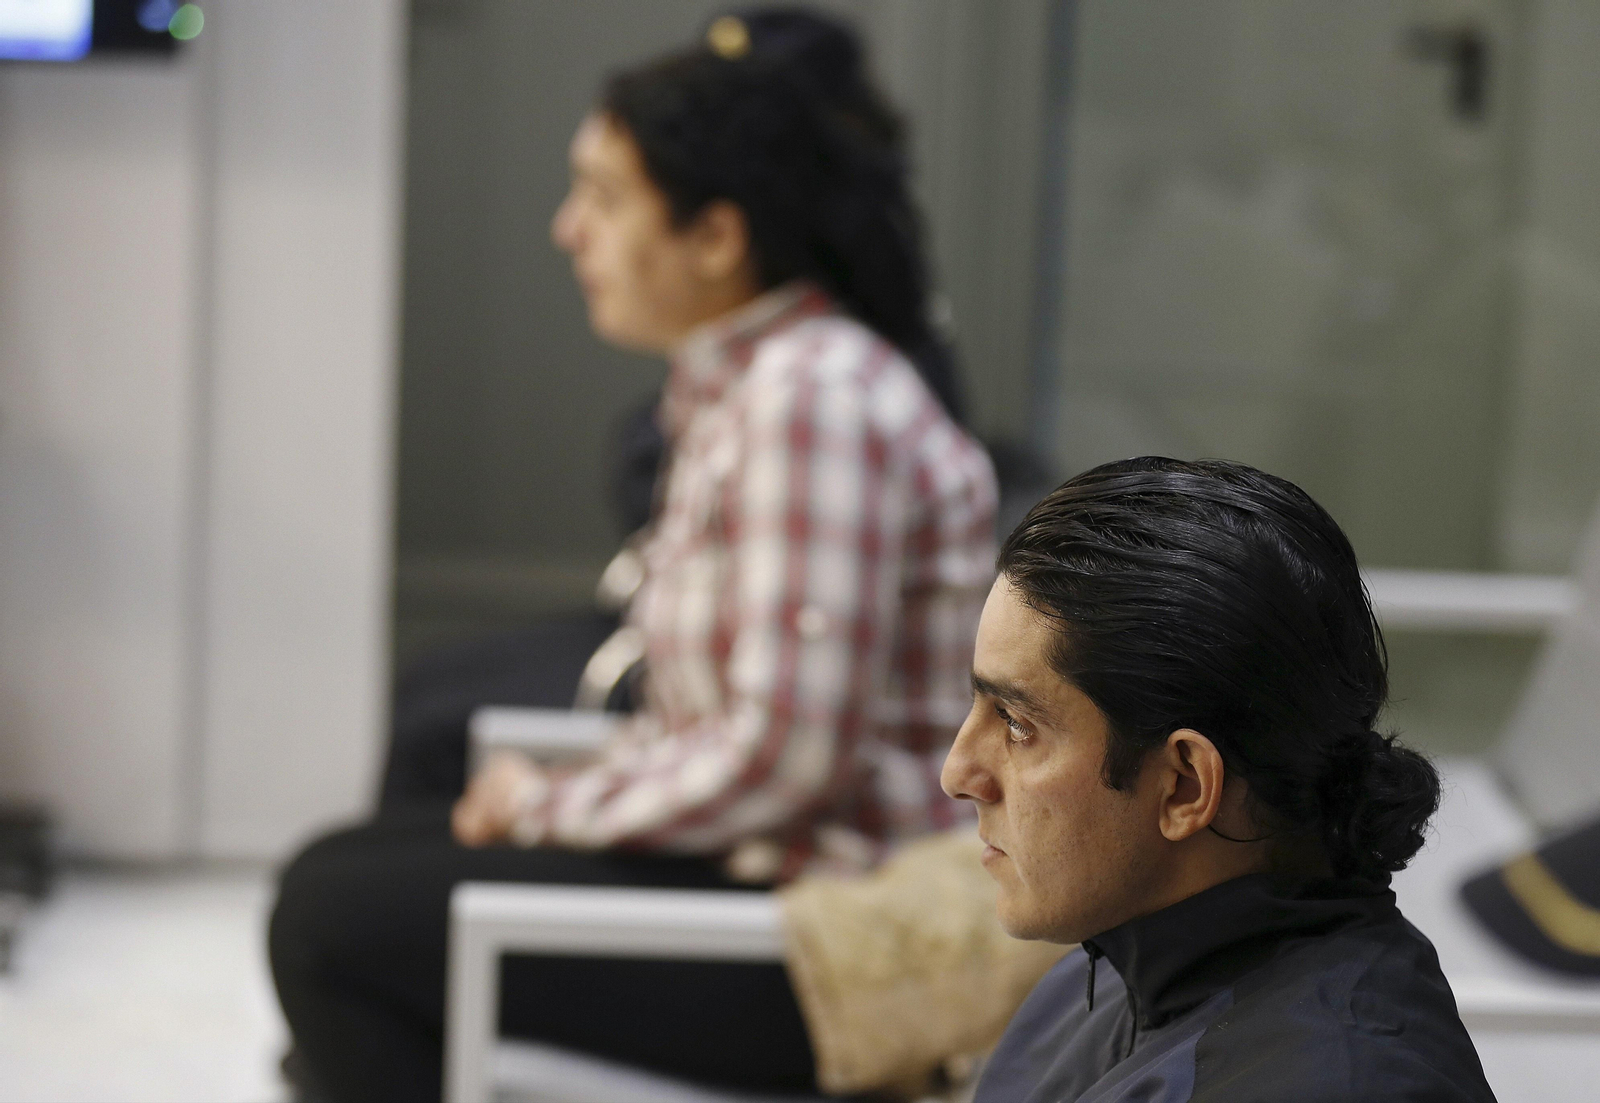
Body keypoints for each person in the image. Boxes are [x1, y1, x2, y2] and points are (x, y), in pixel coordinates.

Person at [268, 9, 997, 1102]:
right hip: (760, 875)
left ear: (715, 235)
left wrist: (544, 804)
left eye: (605, 197)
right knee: (340, 874)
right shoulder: (751, 382)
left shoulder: (811, 401)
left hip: (831, 937)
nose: (569, 230)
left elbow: (785, 756)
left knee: (330, 924)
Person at [942, 457, 1496, 1103]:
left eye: (1015, 722)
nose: (959, 772)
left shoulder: (1340, 1081)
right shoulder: (1104, 971)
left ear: (1183, 785)